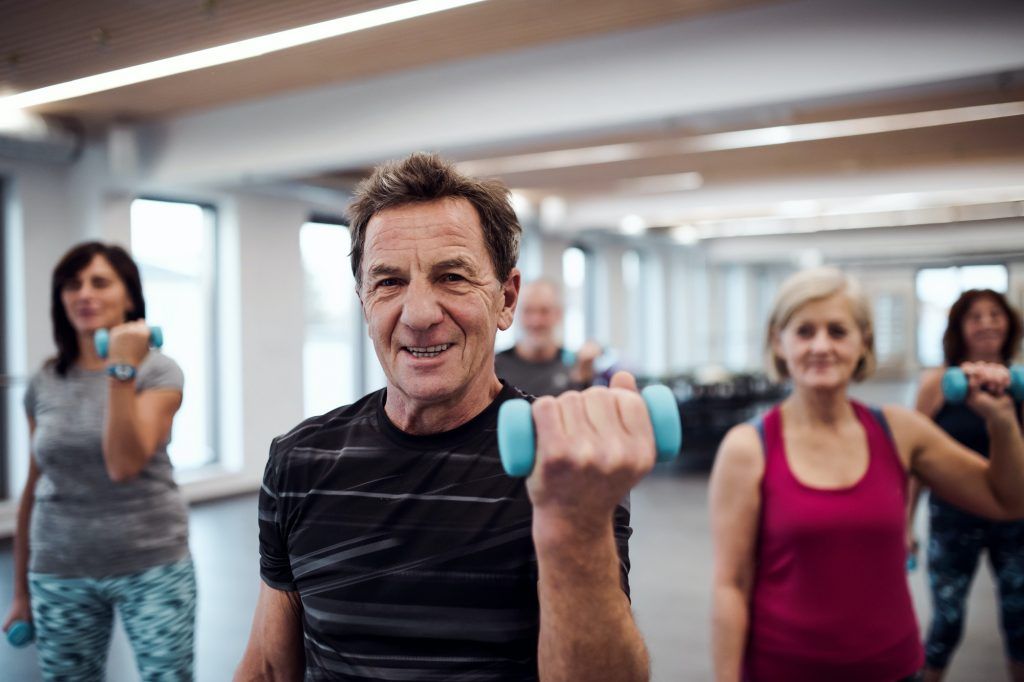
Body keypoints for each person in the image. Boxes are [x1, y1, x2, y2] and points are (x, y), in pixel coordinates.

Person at [235, 152, 653, 681]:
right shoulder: (301, 458)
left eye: (452, 276)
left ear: (506, 299)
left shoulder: (560, 461)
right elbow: (271, 669)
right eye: (388, 282)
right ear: (364, 301)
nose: (419, 315)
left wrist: (574, 525)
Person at [709, 267, 1024, 682]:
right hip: (784, 671)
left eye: (838, 331)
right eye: (805, 331)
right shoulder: (747, 448)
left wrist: (1001, 422)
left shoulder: (900, 431)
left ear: (863, 343)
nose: (821, 346)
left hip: (893, 669)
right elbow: (731, 584)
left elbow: (1007, 500)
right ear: (778, 342)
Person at [2, 242, 195, 680]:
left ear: (129, 296)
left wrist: (122, 368)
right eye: (72, 285)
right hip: (59, 567)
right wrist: (20, 592)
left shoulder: (158, 372)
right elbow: (35, 486)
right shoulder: (44, 382)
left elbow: (123, 464)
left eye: (100, 282)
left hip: (152, 565)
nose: (84, 293)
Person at [908, 289, 1024, 682]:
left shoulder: (1019, 382)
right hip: (953, 519)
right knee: (946, 620)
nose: (988, 322)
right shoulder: (938, 385)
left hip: (1017, 523)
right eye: (976, 316)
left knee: (1020, 621)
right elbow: (914, 462)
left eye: (995, 314)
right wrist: (904, 524)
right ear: (960, 328)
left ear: (1009, 324)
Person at [494, 278, 601, 396]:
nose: (536, 321)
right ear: (516, 314)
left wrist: (584, 379)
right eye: (528, 311)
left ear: (559, 314)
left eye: (544, 311)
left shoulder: (576, 367)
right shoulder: (495, 366)